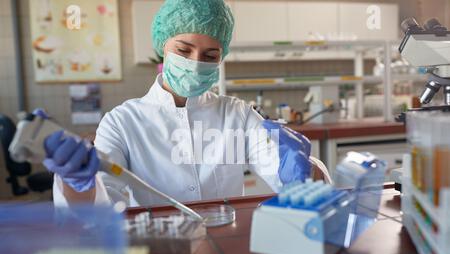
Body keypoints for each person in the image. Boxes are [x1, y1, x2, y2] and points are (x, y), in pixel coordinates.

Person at [43, 0, 330, 207]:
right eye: (183, 49)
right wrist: (76, 182)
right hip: (156, 253)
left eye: (209, 55)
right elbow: (99, 211)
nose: (195, 63)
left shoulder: (237, 115)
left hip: (225, 248)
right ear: (162, 47)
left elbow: (287, 174)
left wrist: (307, 170)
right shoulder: (122, 122)